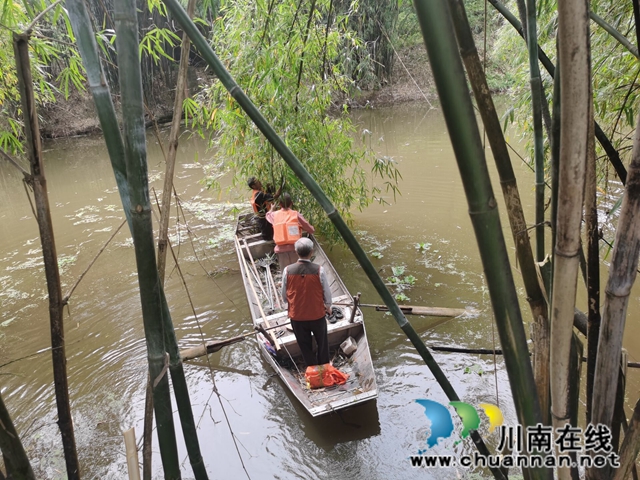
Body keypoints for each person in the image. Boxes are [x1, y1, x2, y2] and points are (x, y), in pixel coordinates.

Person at [281, 238, 332, 366]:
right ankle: (324, 365)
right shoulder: (319, 270)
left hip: (297, 317)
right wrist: (328, 306)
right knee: (322, 342)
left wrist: (290, 304)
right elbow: (327, 292)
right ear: (312, 252)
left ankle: (312, 366)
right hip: (317, 315)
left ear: (296, 252)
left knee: (304, 345)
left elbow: (284, 295)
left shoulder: (287, 270)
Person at [266, 192, 315, 269]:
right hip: (295, 250)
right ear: (291, 203)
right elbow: (310, 230)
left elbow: (267, 215)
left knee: (285, 272)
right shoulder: (296, 215)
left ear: (280, 204)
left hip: (280, 251)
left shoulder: (274, 215)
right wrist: (310, 229)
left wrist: (272, 209)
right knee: (297, 271)